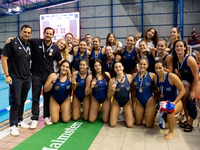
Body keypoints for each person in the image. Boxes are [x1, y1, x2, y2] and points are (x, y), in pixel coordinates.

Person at [1, 25, 32, 136]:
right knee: (16, 101)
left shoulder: (29, 44)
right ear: (20, 31)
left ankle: (19, 120)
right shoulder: (12, 43)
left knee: (23, 100)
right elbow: (4, 59)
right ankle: (13, 125)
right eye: (25, 32)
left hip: (27, 77)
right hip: (15, 77)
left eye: (29, 32)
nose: (26, 34)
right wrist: (7, 75)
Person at [29, 27, 62, 129]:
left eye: (50, 34)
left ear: (53, 35)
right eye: (47, 33)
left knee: (47, 97)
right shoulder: (36, 42)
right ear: (43, 33)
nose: (48, 35)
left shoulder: (55, 47)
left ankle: (46, 116)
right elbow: (23, 39)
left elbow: (60, 61)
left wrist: (61, 74)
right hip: (36, 75)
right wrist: (12, 39)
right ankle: (34, 118)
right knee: (35, 97)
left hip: (49, 76)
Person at [153, 60, 185, 140]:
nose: (158, 70)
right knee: (163, 126)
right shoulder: (156, 78)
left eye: (160, 68)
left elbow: (182, 90)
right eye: (156, 68)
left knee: (170, 109)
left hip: (175, 101)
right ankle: (178, 118)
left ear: (164, 68)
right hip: (163, 103)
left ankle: (171, 132)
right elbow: (158, 90)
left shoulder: (171, 76)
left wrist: (174, 102)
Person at [172, 40, 199, 132]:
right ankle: (187, 119)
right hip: (186, 81)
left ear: (184, 48)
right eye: (177, 46)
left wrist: (193, 91)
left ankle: (190, 122)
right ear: (174, 48)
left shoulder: (190, 59)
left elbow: (196, 76)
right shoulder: (176, 59)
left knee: (191, 99)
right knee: (183, 99)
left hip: (195, 81)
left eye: (181, 46)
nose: (179, 48)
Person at [108, 62, 134, 127]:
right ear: (114, 69)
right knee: (112, 124)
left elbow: (133, 90)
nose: (118, 68)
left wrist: (133, 103)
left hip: (127, 102)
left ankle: (126, 114)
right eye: (116, 67)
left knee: (130, 125)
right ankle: (116, 114)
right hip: (116, 102)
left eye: (120, 66)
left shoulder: (129, 77)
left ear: (123, 67)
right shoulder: (112, 80)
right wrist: (112, 90)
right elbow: (109, 96)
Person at [132, 58, 156, 127]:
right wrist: (133, 104)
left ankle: (151, 115)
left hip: (149, 101)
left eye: (144, 64)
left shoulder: (152, 75)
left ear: (147, 65)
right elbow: (133, 91)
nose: (142, 66)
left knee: (148, 125)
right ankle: (146, 114)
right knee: (138, 123)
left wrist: (156, 101)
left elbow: (157, 89)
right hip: (139, 101)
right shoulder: (134, 75)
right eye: (141, 64)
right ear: (138, 65)